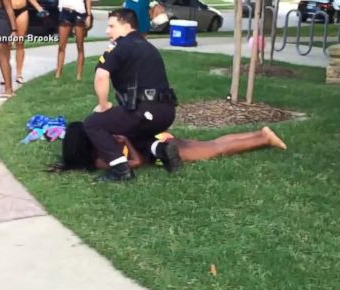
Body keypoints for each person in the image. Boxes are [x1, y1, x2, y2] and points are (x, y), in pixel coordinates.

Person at [83, 8, 180, 182]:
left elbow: (101, 75)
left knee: (93, 123)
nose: (107, 31)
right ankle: (161, 150)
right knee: (130, 131)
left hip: (143, 111)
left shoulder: (120, 46)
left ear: (126, 26)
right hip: (167, 113)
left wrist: (103, 104)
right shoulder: (148, 46)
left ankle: (120, 169)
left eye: (111, 26)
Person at [50, 122, 287, 172]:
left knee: (213, 147)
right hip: (157, 145)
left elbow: (136, 161)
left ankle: (263, 138)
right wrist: (127, 143)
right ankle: (261, 135)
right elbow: (135, 161)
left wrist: (126, 141)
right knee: (211, 145)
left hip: (158, 144)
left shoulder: (101, 150)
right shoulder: (99, 158)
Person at [9, 0, 49, 84]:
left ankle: (19, 74)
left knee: (20, 43)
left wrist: (39, 8)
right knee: (6, 44)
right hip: (7, 10)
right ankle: (5, 73)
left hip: (22, 10)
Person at [54, 0, 92, 80]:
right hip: (65, 11)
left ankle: (79, 76)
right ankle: (58, 73)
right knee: (61, 46)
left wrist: (88, 14)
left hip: (79, 11)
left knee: (79, 46)